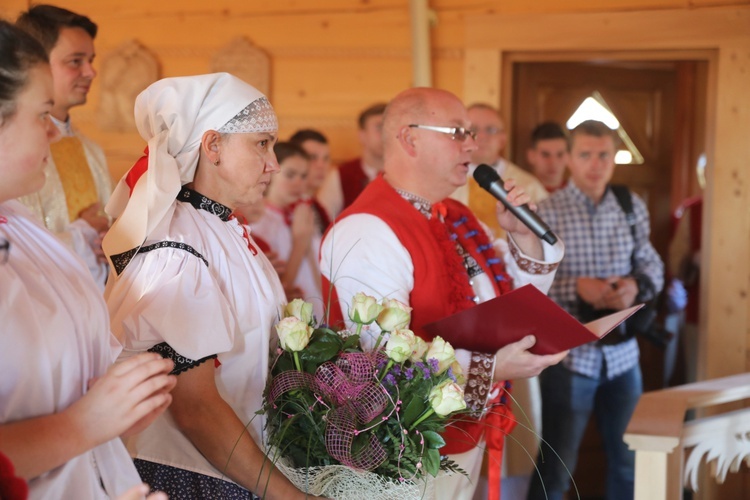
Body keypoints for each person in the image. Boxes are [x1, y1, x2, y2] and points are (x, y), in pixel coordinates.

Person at [319, 87, 567, 500]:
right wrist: (492, 368)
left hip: (462, 435)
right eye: (457, 132)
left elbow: (504, 294)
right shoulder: (367, 230)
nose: (473, 144)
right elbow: (382, 363)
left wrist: (522, 234)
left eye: (471, 132)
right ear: (409, 138)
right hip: (400, 454)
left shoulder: (456, 215)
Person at [103, 73, 321, 500]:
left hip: (236, 466)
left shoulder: (223, 227)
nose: (273, 163)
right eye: (262, 143)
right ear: (212, 146)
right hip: (189, 475)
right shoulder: (175, 248)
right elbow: (195, 409)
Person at [0, 20, 175, 499]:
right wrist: (85, 423)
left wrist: (117, 405)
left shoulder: (19, 223)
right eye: (40, 116)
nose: (53, 137)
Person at [527, 120, 664, 500]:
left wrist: (635, 285)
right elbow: (527, 287)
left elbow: (652, 265)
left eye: (604, 154)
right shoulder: (547, 211)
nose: (595, 163)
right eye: (585, 154)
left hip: (624, 357)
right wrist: (576, 287)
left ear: (614, 158)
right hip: (570, 360)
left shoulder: (630, 205)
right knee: (556, 468)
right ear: (570, 157)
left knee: (627, 461)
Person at [15, 5, 112, 288]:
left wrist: (113, 241)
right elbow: (14, 249)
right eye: (75, 61)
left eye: (91, 60)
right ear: (33, 64)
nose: (91, 72)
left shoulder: (91, 150)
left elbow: (109, 223)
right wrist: (81, 237)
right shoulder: (11, 154)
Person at [250, 141, 324, 319]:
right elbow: (278, 288)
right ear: (272, 173)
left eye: (304, 176)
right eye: (290, 175)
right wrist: (300, 242)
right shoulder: (258, 222)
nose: (298, 183)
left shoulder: (302, 214)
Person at [451, 103, 548, 237]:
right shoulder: (445, 180)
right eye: (473, 129)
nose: (482, 136)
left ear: (503, 139)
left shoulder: (529, 186)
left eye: (490, 130)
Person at [316, 102, 386, 219]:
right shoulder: (341, 176)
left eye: (389, 127)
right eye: (379, 127)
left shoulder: (405, 175)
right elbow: (324, 222)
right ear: (362, 135)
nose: (385, 134)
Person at [289, 128, 332, 232]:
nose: (321, 166)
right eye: (313, 157)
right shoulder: (286, 208)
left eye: (326, 159)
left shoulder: (316, 206)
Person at [526, 121, 569, 193]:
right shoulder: (520, 194)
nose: (553, 162)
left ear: (568, 156)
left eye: (560, 154)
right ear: (531, 156)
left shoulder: (582, 194)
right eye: (545, 155)